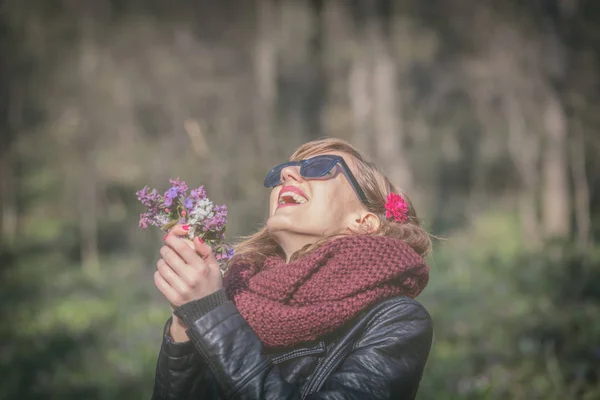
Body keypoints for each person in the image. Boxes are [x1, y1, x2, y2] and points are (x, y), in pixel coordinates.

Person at [151, 138, 433, 399]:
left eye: (319, 167)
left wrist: (210, 314)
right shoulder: (229, 300)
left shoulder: (397, 320)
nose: (286, 175)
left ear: (364, 222)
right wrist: (186, 322)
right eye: (281, 172)